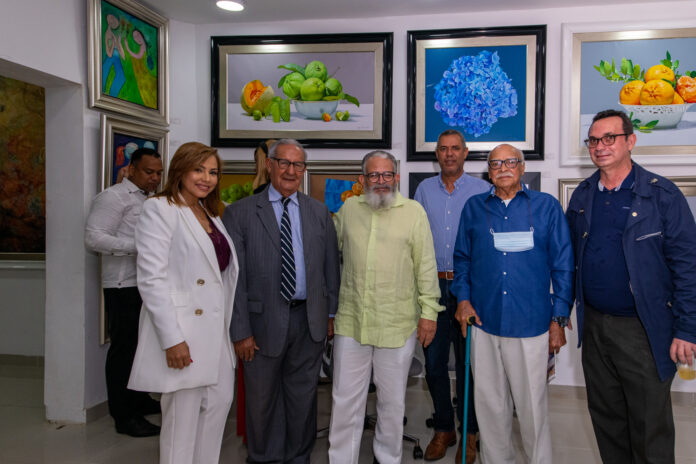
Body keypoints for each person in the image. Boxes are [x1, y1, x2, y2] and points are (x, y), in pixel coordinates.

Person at [566, 109, 696, 463]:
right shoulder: (582, 196)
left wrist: (687, 329)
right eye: (594, 140)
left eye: (610, 138)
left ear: (631, 141)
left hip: (644, 329)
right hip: (595, 328)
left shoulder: (663, 195)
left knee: (649, 426)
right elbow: (569, 259)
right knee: (607, 421)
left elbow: (687, 267)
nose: (600, 146)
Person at [452, 144, 574, 464]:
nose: (503, 168)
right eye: (495, 163)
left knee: (532, 407)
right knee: (489, 406)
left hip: (531, 323)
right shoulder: (474, 208)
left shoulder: (546, 207)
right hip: (484, 321)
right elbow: (462, 260)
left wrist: (559, 319)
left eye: (510, 162)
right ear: (488, 171)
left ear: (522, 167)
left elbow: (563, 266)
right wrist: (462, 300)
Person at [222, 138, 340, 463]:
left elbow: (330, 269)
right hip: (260, 325)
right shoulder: (240, 213)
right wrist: (240, 331)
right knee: (262, 401)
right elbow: (234, 280)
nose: (291, 170)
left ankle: (299, 457)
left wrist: (330, 315)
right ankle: (264, 458)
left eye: (297, 164)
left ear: (304, 169)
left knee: (303, 398)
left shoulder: (318, 212)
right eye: (284, 163)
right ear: (270, 166)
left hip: (308, 321)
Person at [329, 150, 443, 464]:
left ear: (396, 177)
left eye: (387, 174)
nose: (381, 181)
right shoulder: (349, 209)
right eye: (374, 175)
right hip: (352, 322)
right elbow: (328, 253)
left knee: (392, 405)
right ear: (362, 179)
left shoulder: (413, 212)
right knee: (344, 401)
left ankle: (388, 458)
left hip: (397, 323)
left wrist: (429, 314)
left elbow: (426, 266)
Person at [128, 142, 239, 464]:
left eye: (213, 172)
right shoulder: (160, 208)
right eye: (198, 170)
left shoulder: (211, 211)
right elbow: (151, 279)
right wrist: (172, 339)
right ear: (180, 170)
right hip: (184, 330)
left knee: (218, 405)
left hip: (215, 331)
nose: (207, 178)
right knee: (181, 421)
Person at [414, 130, 488, 463]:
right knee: (433, 364)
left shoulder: (481, 190)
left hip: (467, 287)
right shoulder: (424, 190)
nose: (449, 154)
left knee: (468, 364)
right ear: (437, 155)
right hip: (432, 287)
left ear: (465, 153)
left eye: (455, 148)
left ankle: (469, 432)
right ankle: (444, 428)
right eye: (443, 149)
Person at [84, 147, 163, 437]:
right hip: (122, 285)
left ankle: (139, 400)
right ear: (131, 169)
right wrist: (138, 248)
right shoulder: (113, 197)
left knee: (142, 347)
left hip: (145, 283)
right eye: (149, 172)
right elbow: (93, 238)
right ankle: (123, 415)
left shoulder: (151, 200)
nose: (155, 178)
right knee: (124, 349)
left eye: (158, 173)